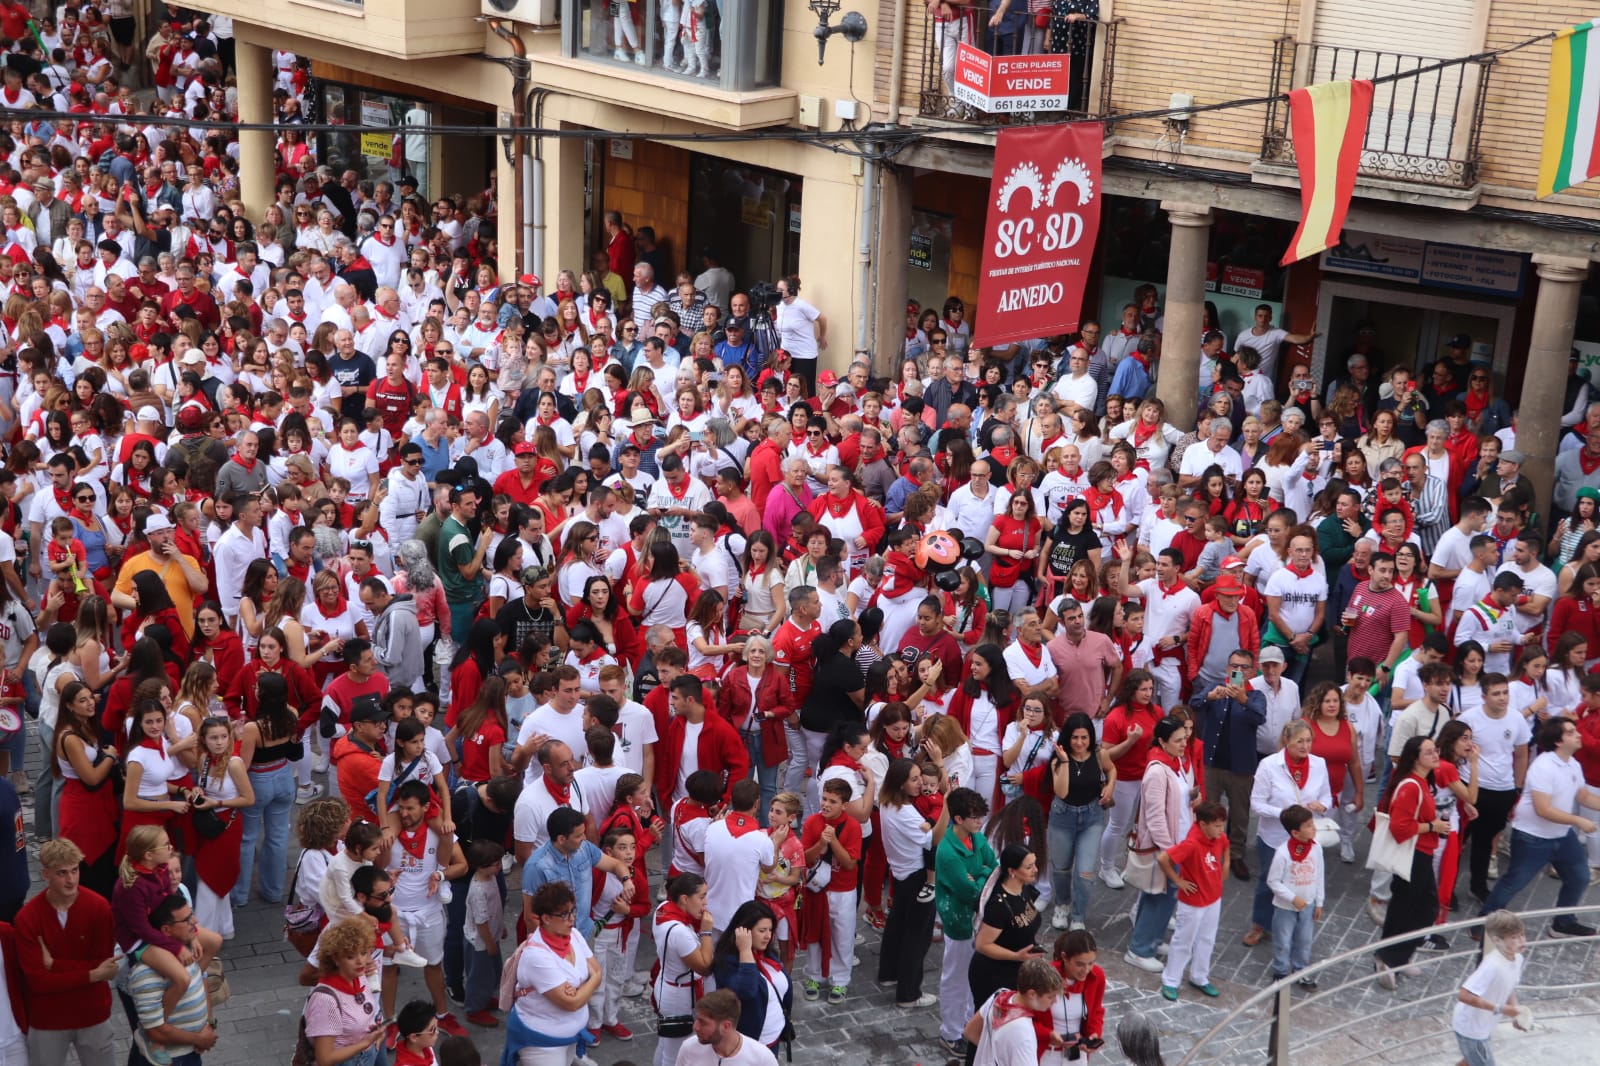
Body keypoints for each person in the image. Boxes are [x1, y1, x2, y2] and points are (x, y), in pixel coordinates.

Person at [1474, 717, 1600, 939]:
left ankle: (1563, 923)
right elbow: (1544, 809)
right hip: (1533, 838)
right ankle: (1483, 923)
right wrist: (1578, 821)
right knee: (1514, 882)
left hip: (1561, 835)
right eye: (1571, 732)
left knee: (1579, 877)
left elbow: (1582, 794)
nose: (1578, 734)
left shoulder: (1572, 763)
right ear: (1558, 741)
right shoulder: (1544, 766)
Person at [15, 838, 119, 1065]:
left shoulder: (99, 907)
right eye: (62, 873)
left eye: (74, 870)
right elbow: (37, 982)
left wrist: (54, 965)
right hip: (48, 1019)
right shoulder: (27, 918)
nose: (71, 880)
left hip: (93, 1014)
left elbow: (106, 966)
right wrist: (92, 975)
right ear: (45, 875)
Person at [1373, 735, 1451, 989]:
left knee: (1414, 907)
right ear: (1415, 758)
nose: (1435, 755)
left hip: (1420, 852)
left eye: (1435, 750)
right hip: (1413, 854)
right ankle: (1389, 957)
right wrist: (1433, 826)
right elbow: (1400, 827)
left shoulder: (1421, 783)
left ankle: (1397, 956)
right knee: (1413, 908)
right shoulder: (1411, 786)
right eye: (1428, 752)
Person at [1245, 720, 1330, 949]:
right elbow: (1256, 804)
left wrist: (1322, 806)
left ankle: (1294, 926)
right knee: (1268, 882)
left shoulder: (1319, 764)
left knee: (1301, 881)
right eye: (1299, 741)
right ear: (1287, 741)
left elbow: (1327, 797)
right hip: (1274, 837)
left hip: (1306, 838)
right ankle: (1260, 924)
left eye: (1309, 741)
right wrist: (1286, 814)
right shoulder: (1269, 765)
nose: (1305, 746)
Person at [504, 882, 601, 1066]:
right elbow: (571, 1002)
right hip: (543, 1044)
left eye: (572, 911)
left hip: (571, 1035)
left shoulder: (574, 935)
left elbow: (597, 970)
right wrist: (592, 980)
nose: (571, 919)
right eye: (564, 914)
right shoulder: (536, 956)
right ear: (546, 918)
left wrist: (580, 989)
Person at [1190, 650, 1267, 882]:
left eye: (1244, 667)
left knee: (1240, 813)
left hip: (1241, 766)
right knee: (1208, 809)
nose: (1238, 671)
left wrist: (1242, 700)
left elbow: (1260, 718)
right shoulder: (1215, 688)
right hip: (1212, 763)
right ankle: (1206, 850)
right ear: (1227, 669)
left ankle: (1235, 854)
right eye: (1234, 666)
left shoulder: (1256, 695)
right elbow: (1194, 703)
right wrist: (1210, 697)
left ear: (1252, 671)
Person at [935, 786, 995, 1059]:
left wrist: (980, 875)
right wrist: (983, 876)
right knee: (956, 978)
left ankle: (969, 1025)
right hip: (959, 921)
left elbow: (992, 865)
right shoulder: (948, 852)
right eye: (974, 817)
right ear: (958, 819)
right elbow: (970, 891)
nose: (980, 822)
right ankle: (950, 1032)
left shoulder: (975, 837)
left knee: (973, 977)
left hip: (975, 918)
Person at [128, 892, 218, 1066]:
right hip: (170, 1060)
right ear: (166, 930)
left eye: (191, 914)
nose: (195, 922)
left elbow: (201, 980)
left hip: (190, 1053)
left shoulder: (188, 948)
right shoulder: (146, 973)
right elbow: (154, 1031)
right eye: (186, 920)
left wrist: (209, 1024)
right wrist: (199, 1039)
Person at [1152, 800, 1229, 1001]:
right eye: (1218, 826)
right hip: (1193, 901)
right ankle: (1170, 979)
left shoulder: (1218, 837)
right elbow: (1163, 859)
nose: (1221, 830)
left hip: (1213, 897)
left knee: (1207, 939)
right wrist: (1178, 881)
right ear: (1203, 825)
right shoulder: (1192, 843)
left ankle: (1199, 976)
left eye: (1222, 825)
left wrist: (1226, 865)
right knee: (1183, 941)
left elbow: (1226, 846)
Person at [1046, 713, 1114, 932]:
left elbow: (1112, 769)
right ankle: (1062, 904)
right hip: (1063, 816)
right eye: (1075, 737)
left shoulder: (1098, 754)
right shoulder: (1058, 758)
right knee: (1061, 868)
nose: (1079, 742)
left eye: (1084, 737)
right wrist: (1065, 761)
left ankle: (1078, 915)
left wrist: (1110, 786)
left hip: (1091, 816)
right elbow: (1062, 791)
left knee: (1085, 872)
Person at [798, 777, 863, 1005]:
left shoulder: (853, 827)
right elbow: (803, 858)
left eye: (832, 801)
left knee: (842, 937)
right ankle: (814, 976)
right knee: (814, 935)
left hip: (843, 891)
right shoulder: (812, 822)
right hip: (818, 890)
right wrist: (820, 846)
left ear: (844, 805)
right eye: (824, 799)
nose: (825, 804)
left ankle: (840, 980)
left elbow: (850, 863)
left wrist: (833, 841)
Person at [302, 916, 390, 1066]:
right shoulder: (326, 1000)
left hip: (370, 1051)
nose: (360, 961)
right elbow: (325, 1059)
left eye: (363, 952)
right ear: (335, 958)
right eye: (350, 956)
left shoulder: (359, 976)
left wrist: (376, 1030)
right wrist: (365, 1043)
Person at [651, 873, 717, 1066]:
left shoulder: (664, 909)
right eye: (702, 896)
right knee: (675, 1054)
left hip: (668, 985)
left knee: (665, 1044)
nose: (706, 902)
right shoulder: (679, 932)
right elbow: (705, 966)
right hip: (678, 996)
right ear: (685, 899)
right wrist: (706, 931)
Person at [709, 901, 792, 1051]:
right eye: (762, 931)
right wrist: (745, 950)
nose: (768, 936)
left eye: (770, 930)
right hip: (749, 1045)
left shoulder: (767, 953)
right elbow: (747, 990)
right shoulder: (726, 962)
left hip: (773, 1039)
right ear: (744, 931)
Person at [1452, 910, 1530, 1066]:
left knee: (1471, 1060)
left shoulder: (1517, 959)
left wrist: (1515, 1012)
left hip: (1482, 1026)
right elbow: (1464, 995)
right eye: (1514, 937)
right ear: (1498, 940)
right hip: (1471, 1029)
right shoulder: (1492, 965)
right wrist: (1502, 1009)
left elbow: (1510, 986)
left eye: (1522, 935)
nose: (1521, 941)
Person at [961, 957, 1064, 1066]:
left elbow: (970, 1032)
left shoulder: (999, 996)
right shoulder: (1024, 1033)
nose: (1054, 1001)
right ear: (1032, 994)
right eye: (1050, 997)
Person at [1266, 804, 1325, 987]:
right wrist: (1292, 898)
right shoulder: (1283, 853)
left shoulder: (1316, 848)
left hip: (1308, 904)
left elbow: (1319, 875)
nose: (1313, 828)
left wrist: (1319, 901)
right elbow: (1273, 881)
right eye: (1307, 825)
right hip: (1286, 907)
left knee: (1304, 940)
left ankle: (1301, 969)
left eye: (1312, 823)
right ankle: (1281, 971)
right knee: (1283, 940)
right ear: (1295, 833)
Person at [677, 988, 780, 1066]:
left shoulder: (761, 1058)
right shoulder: (689, 1049)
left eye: (703, 1023)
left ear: (726, 1026)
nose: (695, 1027)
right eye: (696, 1019)